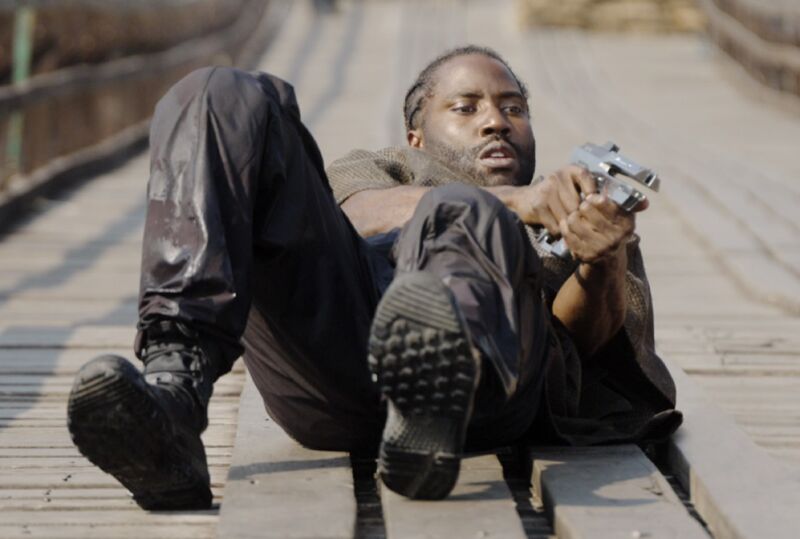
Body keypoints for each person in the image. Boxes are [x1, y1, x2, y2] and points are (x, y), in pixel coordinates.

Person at [66, 45, 681, 510]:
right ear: (416, 136)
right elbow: (357, 216)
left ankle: (432, 405)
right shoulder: (380, 167)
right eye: (466, 108)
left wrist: (601, 258)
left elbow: (580, 349)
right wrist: (511, 202)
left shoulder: (583, 206)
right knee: (217, 91)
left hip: (484, 397)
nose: (495, 121)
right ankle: (175, 396)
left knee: (466, 213)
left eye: (512, 108)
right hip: (332, 368)